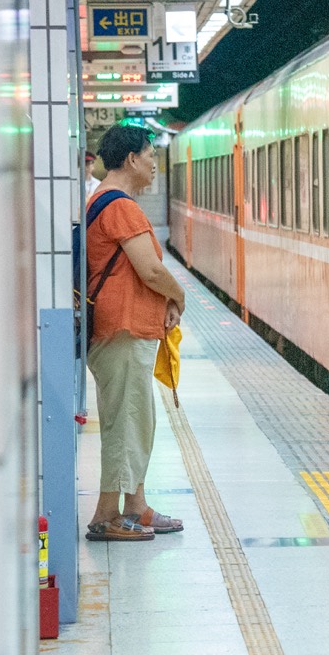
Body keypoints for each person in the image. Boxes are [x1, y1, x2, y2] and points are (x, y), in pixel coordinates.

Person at [84, 125, 186, 541]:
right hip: (122, 330)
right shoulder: (120, 206)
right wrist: (179, 296)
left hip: (124, 330)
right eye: (150, 157)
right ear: (130, 159)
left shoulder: (105, 201)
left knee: (135, 420)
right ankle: (107, 516)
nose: (153, 166)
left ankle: (136, 507)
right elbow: (150, 269)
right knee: (127, 422)